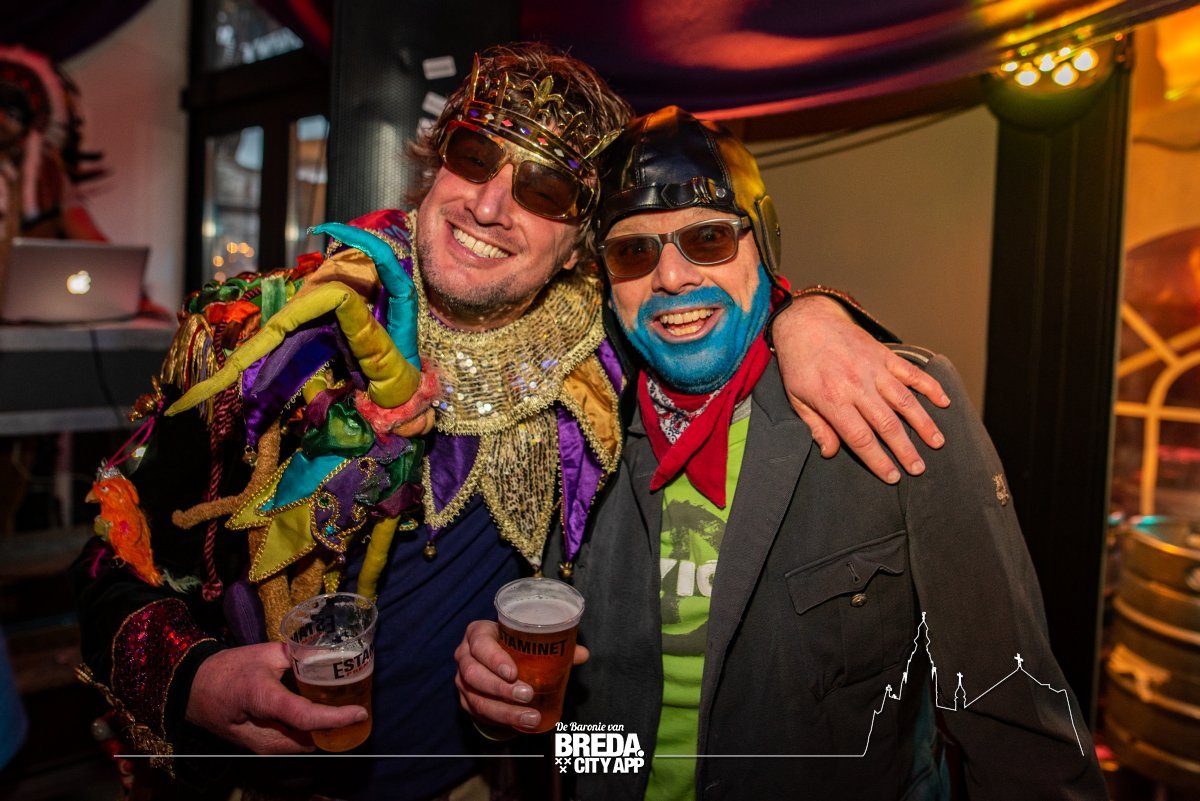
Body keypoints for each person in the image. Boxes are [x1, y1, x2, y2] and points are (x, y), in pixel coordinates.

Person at [71, 46, 946, 801]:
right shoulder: (258, 338)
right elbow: (110, 556)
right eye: (474, 153)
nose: (490, 206)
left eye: (545, 188)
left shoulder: (606, 352)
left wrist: (809, 313)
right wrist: (193, 678)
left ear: (579, 246)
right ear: (435, 166)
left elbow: (710, 287)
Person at [453, 107, 1109, 800]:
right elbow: (592, 725)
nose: (671, 277)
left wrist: (814, 309)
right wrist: (504, 709)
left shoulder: (892, 399)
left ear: (760, 242)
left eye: (707, 239)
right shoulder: (574, 435)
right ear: (605, 280)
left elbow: (1013, 713)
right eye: (634, 252)